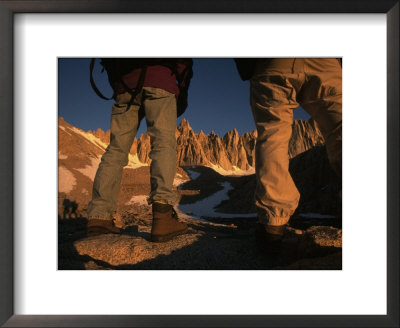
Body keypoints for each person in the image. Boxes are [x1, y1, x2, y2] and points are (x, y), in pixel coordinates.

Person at [235, 58, 342, 254]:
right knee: (342, 130)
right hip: (325, 56)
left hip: (271, 59)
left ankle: (272, 226)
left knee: (273, 135)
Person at [87, 58, 193, 242]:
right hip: (160, 79)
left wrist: (119, 83)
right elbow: (183, 61)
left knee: (115, 151)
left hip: (125, 86)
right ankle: (163, 216)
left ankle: (99, 217)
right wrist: (182, 88)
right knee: (163, 144)